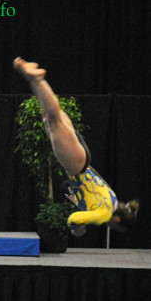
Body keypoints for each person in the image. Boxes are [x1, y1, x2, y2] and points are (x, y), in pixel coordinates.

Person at [13, 57, 139, 236]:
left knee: (50, 118)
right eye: (115, 228)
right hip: (77, 166)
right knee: (54, 120)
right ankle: (36, 78)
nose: (111, 227)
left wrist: (75, 197)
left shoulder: (113, 199)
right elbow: (74, 218)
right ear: (117, 220)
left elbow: (79, 188)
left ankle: (32, 78)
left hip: (82, 161)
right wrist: (77, 228)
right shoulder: (104, 214)